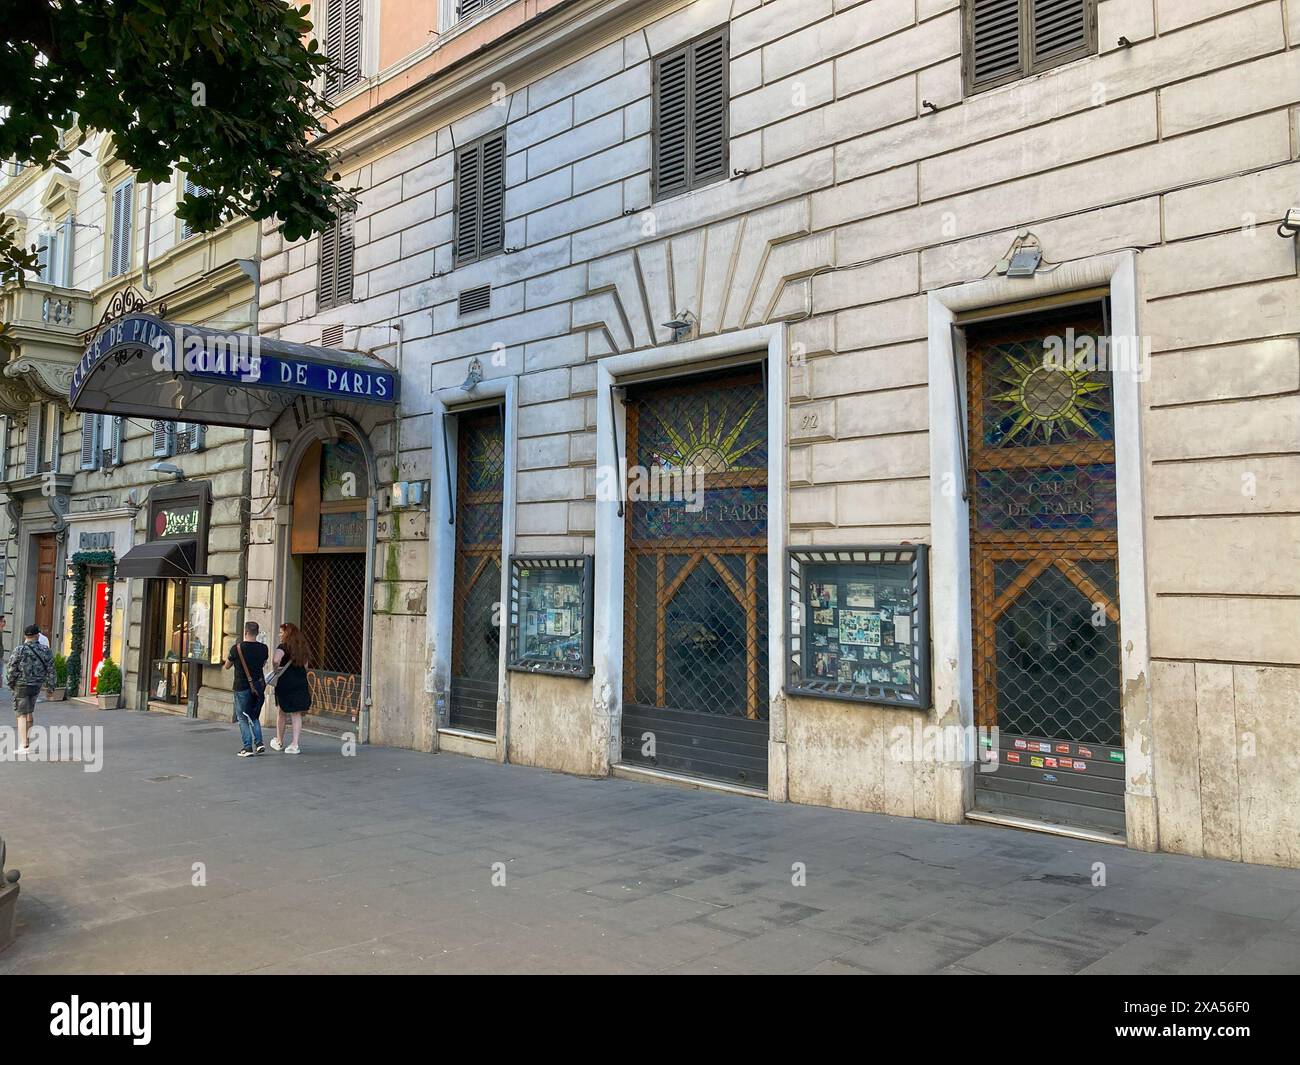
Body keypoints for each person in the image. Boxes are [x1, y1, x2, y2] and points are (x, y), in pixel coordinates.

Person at [223, 621, 269, 758]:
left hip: (241, 686)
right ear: (257, 632)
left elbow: (227, 665)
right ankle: (259, 743)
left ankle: (247, 747)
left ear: (245, 632)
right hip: (257, 687)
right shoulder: (263, 648)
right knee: (253, 715)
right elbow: (263, 663)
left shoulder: (236, 649)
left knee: (242, 718)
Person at [7, 624, 54, 755]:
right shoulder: (45, 650)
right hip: (36, 684)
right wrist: (50, 687)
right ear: (37, 635)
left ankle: (24, 745)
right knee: (29, 711)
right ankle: (27, 741)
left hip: (21, 684)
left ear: (25, 636)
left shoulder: (19, 650)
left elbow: (11, 668)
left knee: (21, 713)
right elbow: (51, 669)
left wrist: (11, 683)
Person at [268, 622, 312, 754]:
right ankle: (295, 744)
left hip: (285, 682)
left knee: (282, 711)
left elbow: (276, 659)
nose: (279, 635)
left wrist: (276, 668)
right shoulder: (302, 648)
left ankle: (279, 741)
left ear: (287, 634)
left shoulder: (283, 647)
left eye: (281, 632)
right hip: (300, 681)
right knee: (296, 713)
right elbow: (306, 666)